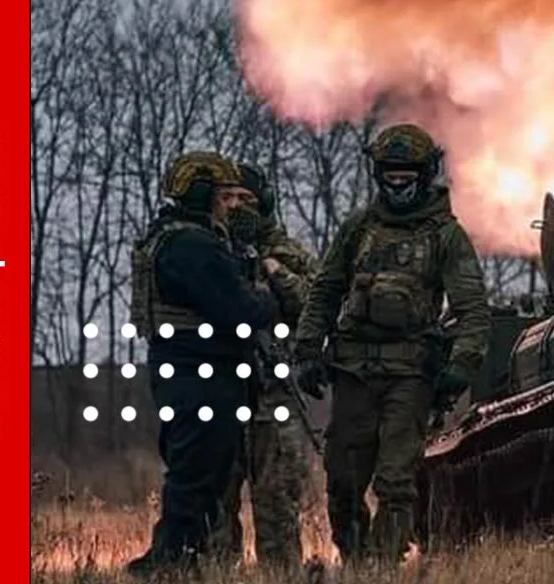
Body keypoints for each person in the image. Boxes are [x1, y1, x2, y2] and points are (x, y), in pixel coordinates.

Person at [290, 123, 492, 564]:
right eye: (390, 175)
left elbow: (473, 308)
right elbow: (325, 289)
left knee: (397, 481)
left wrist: (461, 365)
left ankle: (382, 567)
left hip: (411, 375)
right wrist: (306, 350)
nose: (398, 184)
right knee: (342, 480)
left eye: (407, 176)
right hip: (353, 373)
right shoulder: (359, 227)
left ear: (425, 174)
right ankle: (358, 559)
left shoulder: (446, 235)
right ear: (378, 174)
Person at [125, 151, 276, 580]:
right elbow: (241, 311)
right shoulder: (194, 245)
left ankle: (182, 562)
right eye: (226, 196)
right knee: (197, 476)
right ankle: (167, 563)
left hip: (188, 371)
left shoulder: (171, 237)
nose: (234, 207)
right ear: (203, 195)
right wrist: (268, 296)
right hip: (201, 374)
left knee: (200, 475)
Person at [209, 163, 316, 572]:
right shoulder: (206, 251)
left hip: (274, 394)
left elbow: (315, 300)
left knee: (277, 504)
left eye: (246, 199)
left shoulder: (284, 251)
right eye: (228, 198)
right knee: (217, 504)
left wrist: (275, 272)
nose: (236, 207)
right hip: (221, 393)